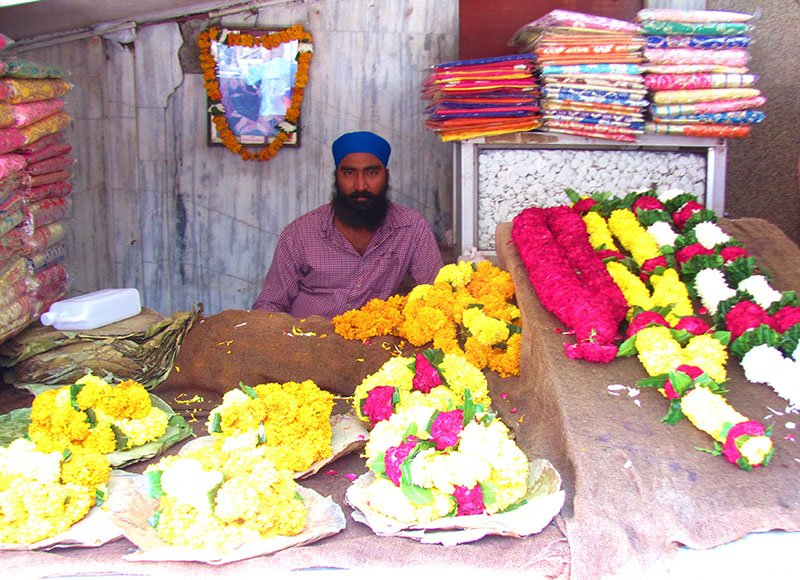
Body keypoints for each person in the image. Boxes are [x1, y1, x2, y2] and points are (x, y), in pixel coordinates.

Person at [252, 130, 444, 318]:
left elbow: (438, 294)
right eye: (349, 173)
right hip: (306, 342)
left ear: (386, 176)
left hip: (373, 344)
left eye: (372, 172)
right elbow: (270, 303)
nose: (361, 186)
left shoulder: (410, 227)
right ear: (337, 177)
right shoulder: (301, 232)